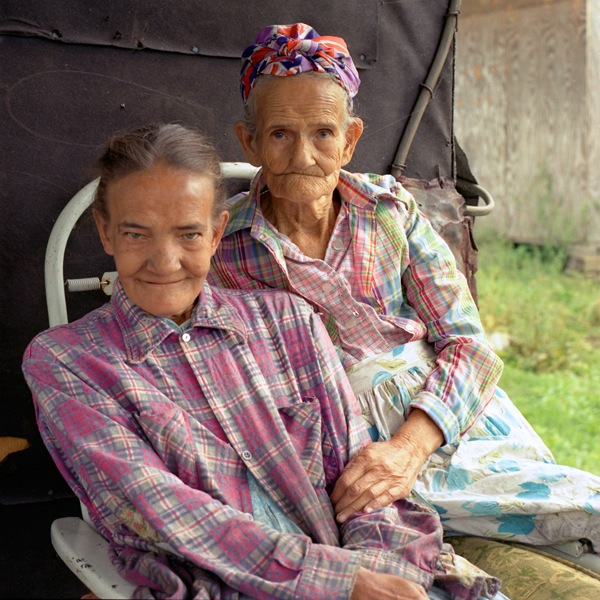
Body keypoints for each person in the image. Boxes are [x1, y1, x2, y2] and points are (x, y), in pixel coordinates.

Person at [22, 124, 504, 599]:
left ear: (215, 235)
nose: (165, 261)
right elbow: (160, 510)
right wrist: (343, 584)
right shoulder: (66, 362)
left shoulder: (288, 321)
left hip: (374, 571)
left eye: (189, 234)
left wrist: (378, 572)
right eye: (136, 234)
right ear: (106, 232)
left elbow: (363, 488)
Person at [208, 23, 600, 552]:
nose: (303, 156)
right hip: (337, 442)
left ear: (349, 140)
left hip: (446, 416)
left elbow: (469, 346)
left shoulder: (391, 212)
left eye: (323, 133)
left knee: (571, 522)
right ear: (249, 141)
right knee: (568, 519)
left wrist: (409, 448)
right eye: (280, 134)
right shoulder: (217, 240)